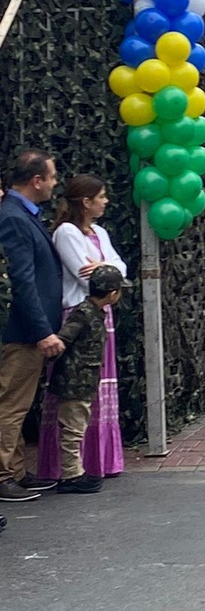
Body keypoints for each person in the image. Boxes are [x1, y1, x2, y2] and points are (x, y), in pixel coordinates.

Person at [38, 175, 127, 481]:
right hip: (78, 312)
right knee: (78, 384)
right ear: (86, 202)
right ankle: (71, 464)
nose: (105, 202)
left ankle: (99, 459)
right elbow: (87, 277)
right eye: (101, 197)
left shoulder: (100, 232)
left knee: (100, 382)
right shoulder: (66, 232)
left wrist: (106, 268)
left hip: (102, 314)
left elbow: (119, 270)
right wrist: (108, 269)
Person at [0, 149, 64, 502]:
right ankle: (3, 474)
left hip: (28, 330)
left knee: (18, 403)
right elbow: (21, 280)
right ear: (36, 180)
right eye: (51, 177)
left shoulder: (22, 214)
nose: (54, 183)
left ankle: (17, 471)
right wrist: (42, 331)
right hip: (22, 332)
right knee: (10, 404)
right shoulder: (13, 217)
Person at [47, 265, 127, 495]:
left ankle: (75, 472)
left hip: (83, 381)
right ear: (112, 293)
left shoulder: (93, 312)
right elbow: (64, 339)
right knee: (72, 429)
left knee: (77, 426)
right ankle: (71, 475)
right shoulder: (83, 313)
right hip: (74, 382)